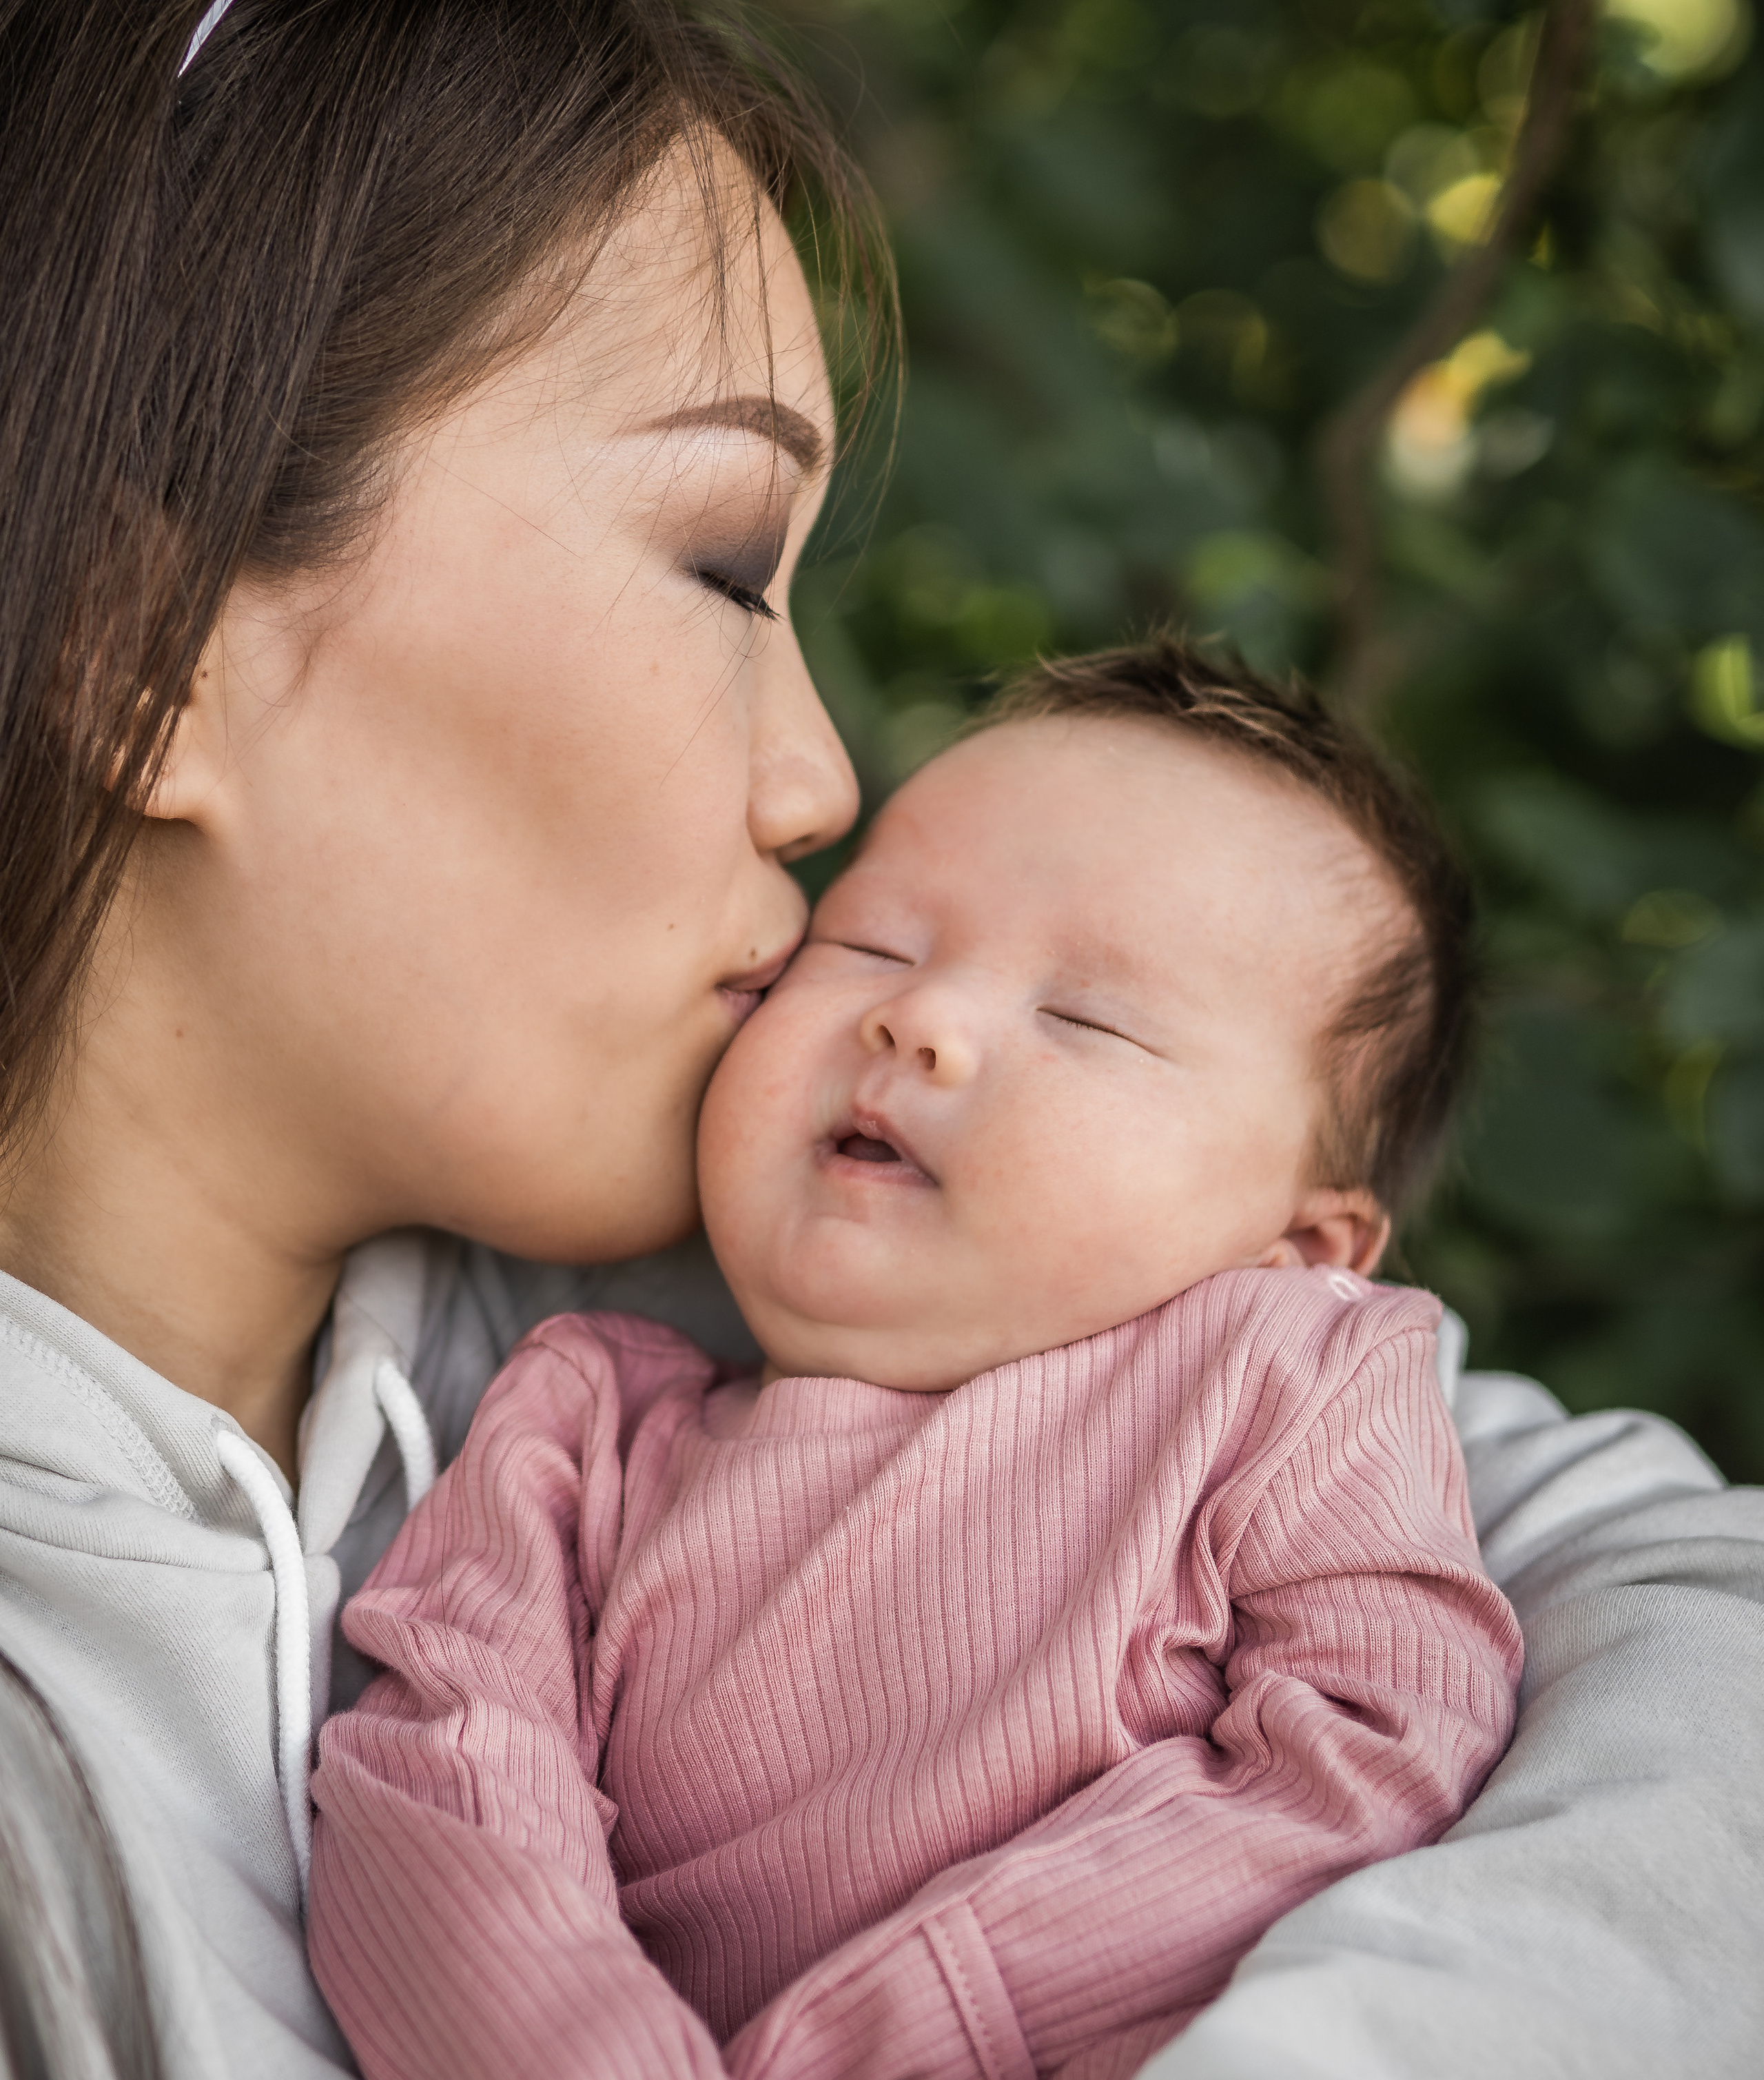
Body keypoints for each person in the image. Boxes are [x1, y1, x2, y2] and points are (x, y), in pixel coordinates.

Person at [0, 4, 1758, 2079]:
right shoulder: (616, 1386)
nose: (825, 783)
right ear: (145, 657)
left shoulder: (793, 1274)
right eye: (730, 565)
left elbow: (1671, 1585)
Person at [307, 643, 1526, 2080]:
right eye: (869, 945)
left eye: (1083, 1019)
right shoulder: (577, 1425)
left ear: (1299, 1244)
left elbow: (1374, 1757)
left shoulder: (1284, 1380)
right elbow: (442, 1790)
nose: (918, 1020)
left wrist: (913, 2021)